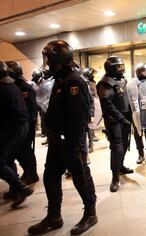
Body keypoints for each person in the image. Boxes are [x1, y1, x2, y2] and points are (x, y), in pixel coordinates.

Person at [28, 40, 97, 235]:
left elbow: (79, 116)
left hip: (70, 141)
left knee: (80, 177)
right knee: (50, 176)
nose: (47, 61)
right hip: (57, 141)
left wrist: (73, 143)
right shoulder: (59, 78)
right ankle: (54, 216)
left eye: (49, 57)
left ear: (58, 58)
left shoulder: (73, 80)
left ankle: (90, 213)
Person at [97, 56, 134, 192]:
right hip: (114, 121)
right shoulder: (106, 83)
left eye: (122, 65)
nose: (121, 68)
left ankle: (121, 167)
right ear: (110, 68)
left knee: (124, 145)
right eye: (118, 66)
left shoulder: (123, 80)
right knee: (117, 149)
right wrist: (121, 119)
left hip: (125, 119)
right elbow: (107, 104)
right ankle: (115, 177)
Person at [0, 61, 33, 209]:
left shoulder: (1, 88)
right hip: (20, 126)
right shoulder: (12, 85)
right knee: (9, 158)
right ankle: (15, 190)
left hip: (11, 128)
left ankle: (20, 187)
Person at [6, 61, 39, 184]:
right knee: (19, 151)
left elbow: (32, 107)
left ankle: (32, 173)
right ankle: (27, 171)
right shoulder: (15, 86)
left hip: (26, 123)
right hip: (19, 124)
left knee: (26, 150)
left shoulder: (25, 87)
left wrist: (30, 123)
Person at [134, 63, 146, 165]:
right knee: (138, 135)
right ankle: (140, 154)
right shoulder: (133, 82)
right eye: (142, 71)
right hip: (136, 113)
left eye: (145, 70)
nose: (144, 73)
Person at [82, 67, 99, 153]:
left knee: (90, 128)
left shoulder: (92, 83)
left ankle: (90, 145)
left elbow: (94, 95)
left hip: (91, 105)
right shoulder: (85, 83)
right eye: (92, 75)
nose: (93, 76)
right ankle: (89, 145)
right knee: (88, 128)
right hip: (87, 106)